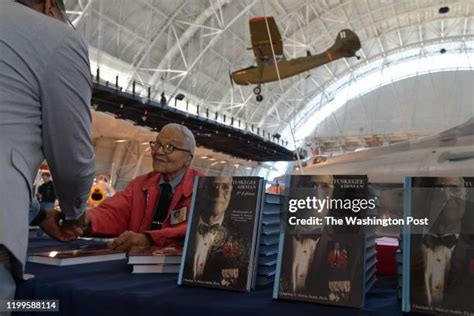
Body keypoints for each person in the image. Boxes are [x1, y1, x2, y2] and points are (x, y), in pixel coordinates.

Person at [0, 0, 95, 303]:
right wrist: (74, 213)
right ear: (49, 5)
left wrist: (38, 214)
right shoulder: (58, 37)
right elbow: (72, 157)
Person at [84, 124, 202, 251]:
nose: (159, 151)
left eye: (169, 147)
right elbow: (114, 212)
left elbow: (197, 230)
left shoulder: (205, 189)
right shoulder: (139, 185)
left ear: (188, 159)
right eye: (157, 144)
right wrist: (87, 220)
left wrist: (149, 239)